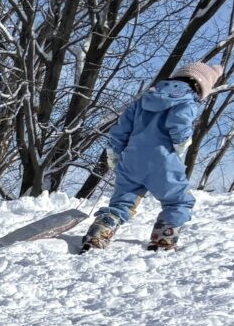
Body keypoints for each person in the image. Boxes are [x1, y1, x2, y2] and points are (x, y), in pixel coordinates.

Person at [82, 61, 223, 253]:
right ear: (200, 87)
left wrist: (114, 153)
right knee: (179, 201)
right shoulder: (187, 100)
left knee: (122, 203)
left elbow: (121, 129)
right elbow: (179, 125)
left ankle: (97, 235)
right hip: (163, 162)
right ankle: (162, 241)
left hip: (131, 159)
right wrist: (182, 144)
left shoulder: (144, 99)